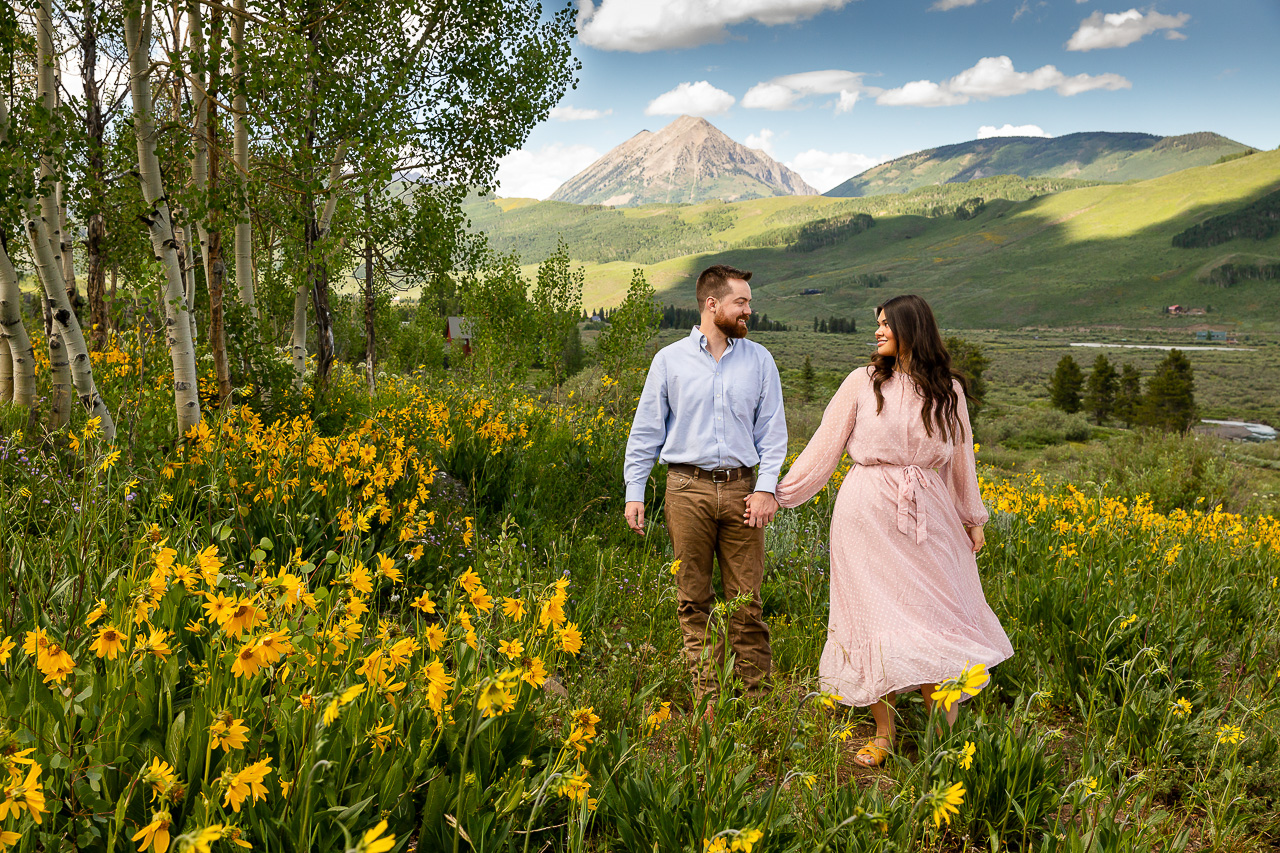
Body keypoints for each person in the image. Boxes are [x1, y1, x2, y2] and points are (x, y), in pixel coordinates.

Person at [775, 294, 1012, 767]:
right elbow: (825, 446)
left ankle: (943, 738)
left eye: (887, 324)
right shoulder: (861, 383)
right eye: (877, 324)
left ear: (913, 329)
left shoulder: (948, 390)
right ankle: (883, 733)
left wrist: (973, 518)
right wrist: (777, 494)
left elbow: (962, 460)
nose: (878, 331)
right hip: (866, 514)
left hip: (931, 516)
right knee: (872, 619)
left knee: (936, 617)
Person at [623, 264, 787, 705]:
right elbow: (645, 433)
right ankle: (709, 704)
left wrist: (767, 489)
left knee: (746, 603)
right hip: (685, 489)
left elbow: (772, 434)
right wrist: (634, 492)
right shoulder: (669, 361)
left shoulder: (760, 361)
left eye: (749, 302)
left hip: (742, 492)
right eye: (742, 302)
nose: (749, 310)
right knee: (694, 601)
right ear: (712, 305)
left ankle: (756, 706)